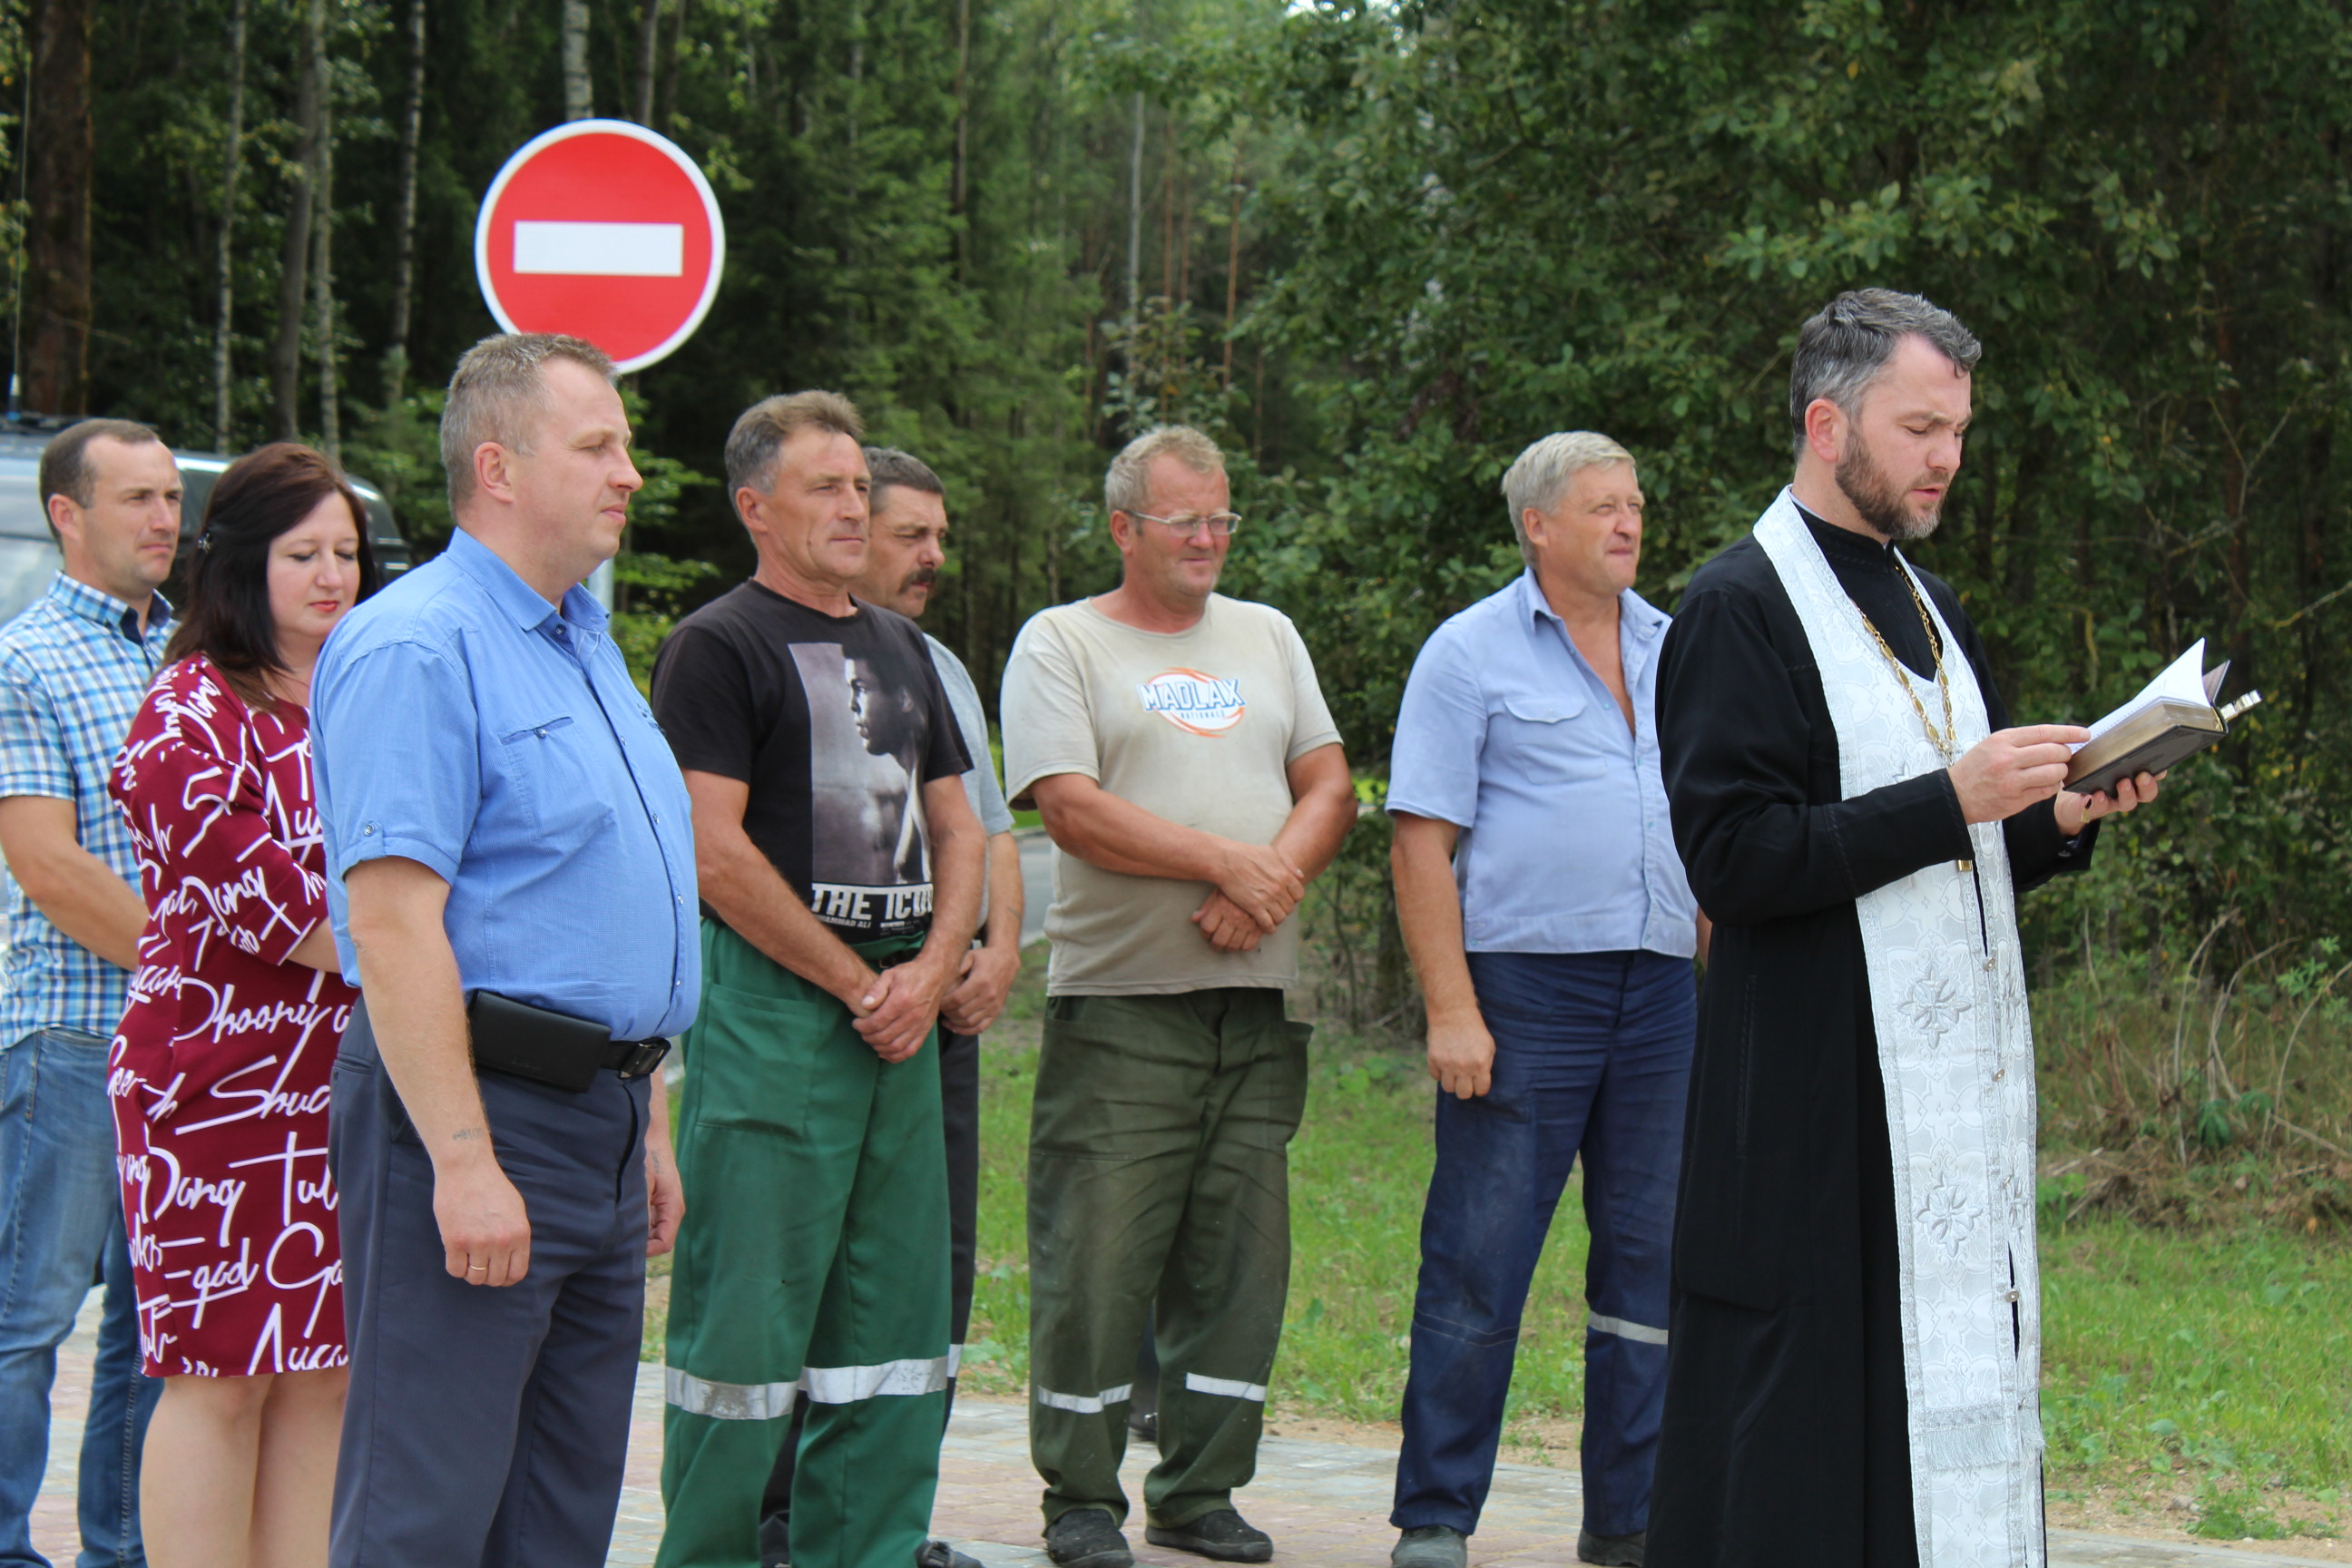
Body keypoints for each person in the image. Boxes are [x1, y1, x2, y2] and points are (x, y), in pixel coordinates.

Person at [1649, 289, 2163, 1567]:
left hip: (1940, 1116)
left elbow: (1960, 855)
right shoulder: (1738, 607)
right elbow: (1735, 858)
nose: (1946, 456)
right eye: (1921, 426)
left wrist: (2066, 818)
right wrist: (1954, 801)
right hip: (1811, 1111)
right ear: (1830, 424)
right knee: (1806, 1444)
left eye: (1959, 431)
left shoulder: (1927, 603)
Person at [311, 332, 694, 1567]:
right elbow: (391, 923)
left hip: (597, 1119)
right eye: (597, 446)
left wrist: (646, 1120)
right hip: (479, 1113)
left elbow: (592, 905)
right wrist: (463, 1161)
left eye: (625, 446)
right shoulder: (418, 644)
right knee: (426, 1505)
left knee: (559, 1511)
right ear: (499, 468)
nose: (629, 473)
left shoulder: (582, 639)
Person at [999, 424, 1356, 1568]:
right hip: (1124, 1005)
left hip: (1257, 1007)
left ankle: (1201, 1490)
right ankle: (1082, 1501)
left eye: (1221, 518)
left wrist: (1274, 880)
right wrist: (1224, 863)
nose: (1207, 539)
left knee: (1240, 1261)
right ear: (1123, 529)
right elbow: (1069, 808)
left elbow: (1329, 781)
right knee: (1097, 1258)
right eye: (1182, 520)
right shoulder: (1063, 644)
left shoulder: (1268, 634)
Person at [652, 396, 984, 1568]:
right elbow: (712, 850)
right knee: (745, 1324)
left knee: (894, 1329)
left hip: (900, 1023)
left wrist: (934, 971)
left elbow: (962, 824)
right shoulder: (717, 644)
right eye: (827, 488)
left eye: (860, 486)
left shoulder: (902, 648)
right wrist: (859, 984)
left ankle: (869, 1550)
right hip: (782, 1017)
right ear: (756, 508)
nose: (856, 506)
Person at [1384, 432, 1705, 1568]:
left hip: (1664, 993)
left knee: (1652, 1263)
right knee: (1478, 1258)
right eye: (1604, 507)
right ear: (1539, 525)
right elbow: (1422, 841)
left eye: (1636, 504)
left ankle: (1628, 1519)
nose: (1629, 524)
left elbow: (1707, 828)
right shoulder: (1469, 653)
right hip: (1524, 995)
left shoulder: (1680, 646)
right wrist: (1451, 1009)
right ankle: (1436, 1516)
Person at [753, 446, 1024, 1568]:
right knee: (806, 1277)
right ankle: (783, 1522)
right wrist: (878, 979)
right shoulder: (755, 649)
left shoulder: (929, 660)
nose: (923, 556)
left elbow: (985, 827)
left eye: (930, 537)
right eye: (905, 533)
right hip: (828, 1014)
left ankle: (882, 1522)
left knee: (927, 1279)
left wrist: (992, 949)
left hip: (935, 1020)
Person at [107, 442, 374, 1566]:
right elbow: (256, 894)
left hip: (346, 1084)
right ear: (241, 564)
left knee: (325, 1373)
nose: (330, 576)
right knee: (221, 1378)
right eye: (301, 553)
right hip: (210, 1090)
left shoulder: (369, 693)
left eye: (347, 554)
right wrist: (409, 955)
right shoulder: (188, 707)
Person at [0, 417, 178, 1567]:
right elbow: (48, 864)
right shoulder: (23, 662)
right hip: (71, 1035)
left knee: (153, 1334)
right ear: (69, 515)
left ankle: (122, 1549)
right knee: (25, 1325)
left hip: (184, 1055)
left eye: (171, 498)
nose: (166, 520)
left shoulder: (199, 657)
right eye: (138, 501)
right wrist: (195, 963)